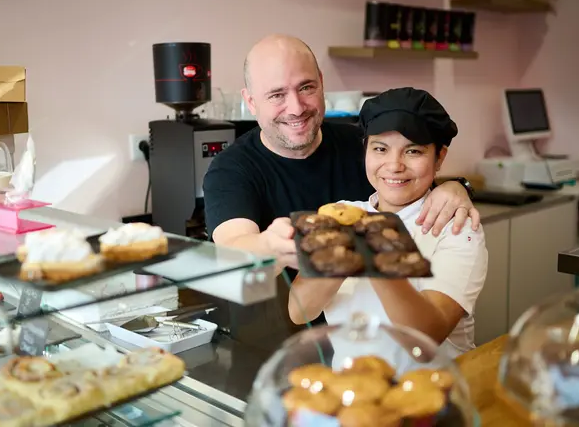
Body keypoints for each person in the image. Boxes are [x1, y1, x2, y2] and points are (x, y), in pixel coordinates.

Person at [204, 34, 480, 275]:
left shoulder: (360, 144)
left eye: (306, 87)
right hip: (284, 315)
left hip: (364, 310)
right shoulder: (232, 168)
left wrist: (455, 188)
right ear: (251, 102)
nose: (296, 108)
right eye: (277, 95)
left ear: (322, 83)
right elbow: (233, 246)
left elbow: (412, 182)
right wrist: (267, 246)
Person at [287, 87, 488, 358]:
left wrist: (373, 255)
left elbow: (424, 342)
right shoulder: (342, 214)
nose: (394, 165)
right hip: (354, 380)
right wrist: (341, 255)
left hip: (433, 382)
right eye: (380, 149)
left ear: (439, 157)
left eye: (413, 151)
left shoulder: (457, 229)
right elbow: (299, 311)